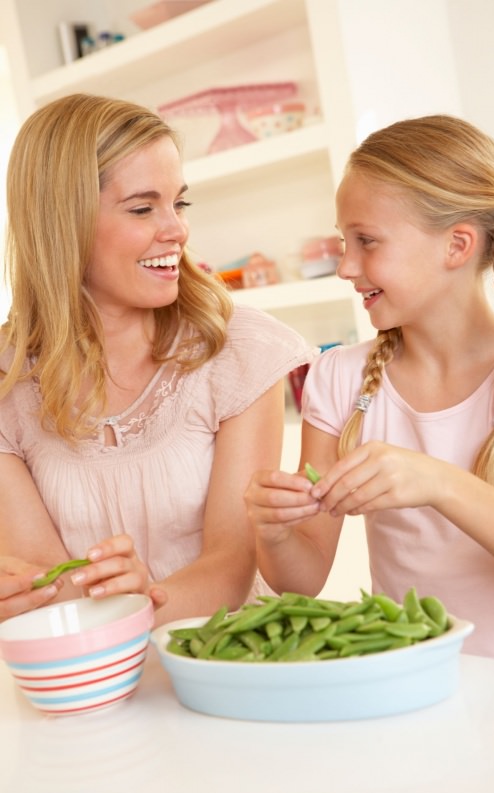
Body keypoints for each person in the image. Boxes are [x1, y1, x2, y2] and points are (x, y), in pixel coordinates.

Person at [0, 93, 315, 624]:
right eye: (144, 208)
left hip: (229, 660)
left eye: (179, 203)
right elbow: (44, 585)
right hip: (92, 679)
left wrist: (146, 598)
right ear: (63, 223)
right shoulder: (8, 381)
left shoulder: (236, 350)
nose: (176, 229)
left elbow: (232, 567)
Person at [245, 113, 494, 663]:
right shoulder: (338, 379)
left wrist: (439, 483)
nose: (346, 266)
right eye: (342, 241)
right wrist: (276, 530)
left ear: (456, 246)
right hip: (403, 679)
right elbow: (298, 584)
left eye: (367, 241)